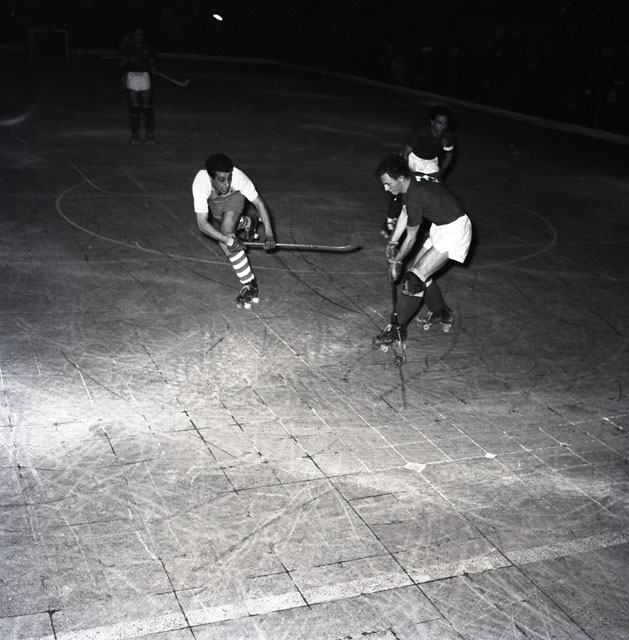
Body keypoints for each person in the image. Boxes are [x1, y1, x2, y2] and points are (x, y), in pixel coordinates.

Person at [373, 154, 472, 346]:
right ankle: (441, 313)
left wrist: (396, 262)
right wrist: (393, 242)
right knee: (416, 270)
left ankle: (396, 330)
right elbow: (405, 212)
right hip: (442, 226)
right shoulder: (411, 182)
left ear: (400, 178)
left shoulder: (416, 196)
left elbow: (411, 237)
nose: (386, 188)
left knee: (414, 279)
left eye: (388, 184)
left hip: (455, 231)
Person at [192, 154, 276, 308]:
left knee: (226, 233)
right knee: (224, 231)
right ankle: (248, 222)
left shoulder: (239, 177)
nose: (227, 183)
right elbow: (202, 224)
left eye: (229, 178)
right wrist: (230, 241)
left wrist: (269, 234)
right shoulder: (200, 183)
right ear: (210, 178)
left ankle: (249, 284)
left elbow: (259, 204)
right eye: (221, 179)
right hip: (215, 202)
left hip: (234, 198)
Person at [382, 104, 455, 238]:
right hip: (412, 158)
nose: (442, 127)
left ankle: (431, 226)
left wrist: (439, 174)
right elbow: (406, 153)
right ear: (432, 122)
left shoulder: (447, 136)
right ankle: (389, 220)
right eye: (439, 123)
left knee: (437, 189)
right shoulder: (421, 132)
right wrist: (406, 174)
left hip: (430, 162)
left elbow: (449, 156)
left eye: (445, 124)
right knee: (402, 189)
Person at [119, 28, 157, 144]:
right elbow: (120, 64)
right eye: (136, 34)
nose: (139, 36)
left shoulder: (147, 48)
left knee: (147, 108)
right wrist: (128, 60)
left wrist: (153, 67)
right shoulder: (127, 48)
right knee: (134, 107)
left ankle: (150, 135)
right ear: (133, 35)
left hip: (144, 76)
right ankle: (135, 135)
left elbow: (151, 62)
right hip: (132, 76)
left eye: (140, 34)